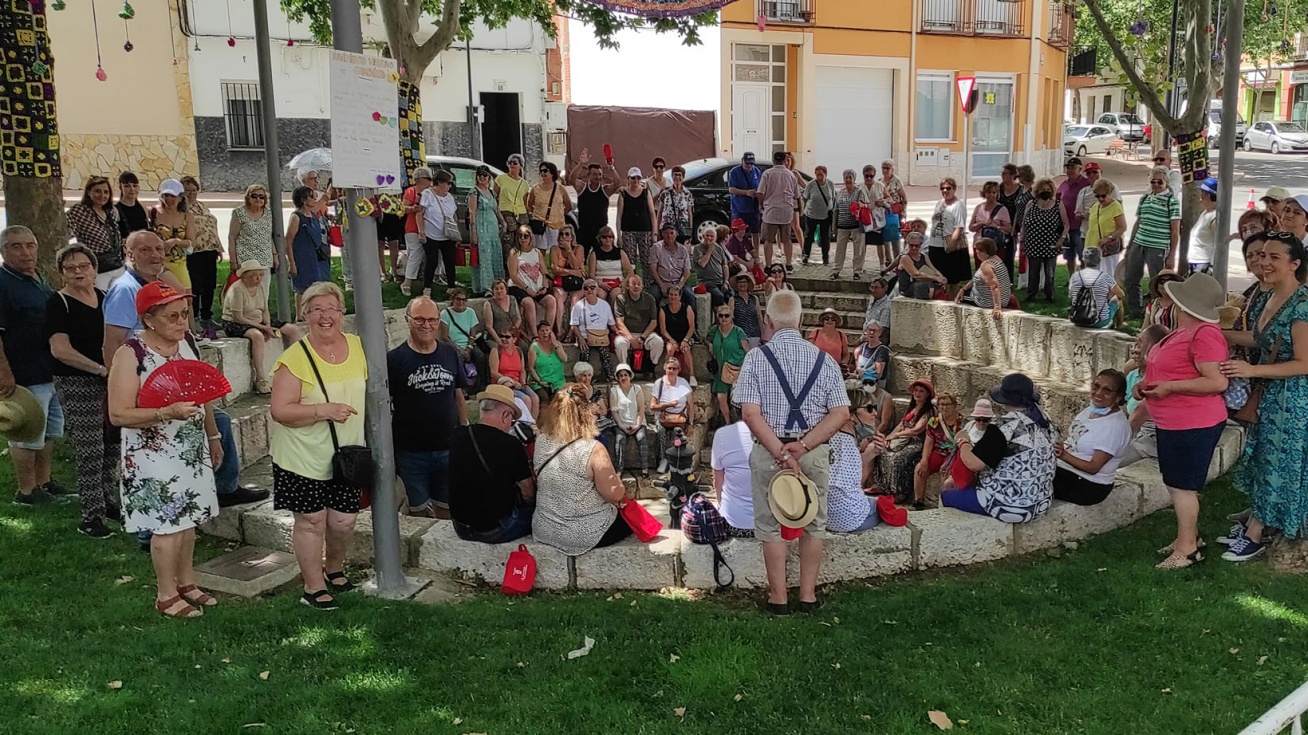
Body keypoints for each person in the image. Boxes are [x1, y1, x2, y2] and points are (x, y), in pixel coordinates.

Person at [107, 281, 222, 619]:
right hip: (150, 452)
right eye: (172, 316)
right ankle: (165, 594)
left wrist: (213, 437)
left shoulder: (187, 343)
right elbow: (118, 414)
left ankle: (187, 582)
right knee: (167, 524)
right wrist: (164, 413)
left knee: (188, 522)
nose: (182, 323)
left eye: (184, 314)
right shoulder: (132, 354)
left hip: (189, 448)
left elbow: (204, 394)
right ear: (149, 318)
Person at [734, 289, 850, 614]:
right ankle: (808, 596)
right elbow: (841, 413)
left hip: (770, 452)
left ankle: (778, 599)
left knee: (770, 525)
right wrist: (803, 446)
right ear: (800, 321)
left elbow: (749, 414)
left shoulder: (756, 357)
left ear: (768, 320)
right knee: (814, 523)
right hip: (810, 452)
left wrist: (781, 452)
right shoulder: (825, 360)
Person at [269, 282, 367, 610]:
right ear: (305, 315)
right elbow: (280, 411)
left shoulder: (357, 346)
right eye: (317, 310)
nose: (325, 316)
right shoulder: (294, 359)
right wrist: (322, 411)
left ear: (342, 313)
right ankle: (313, 587)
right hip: (302, 456)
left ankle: (335, 569)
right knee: (311, 521)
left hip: (347, 456)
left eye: (332, 309)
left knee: (343, 521)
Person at [1220, 233, 1308, 561]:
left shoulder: (1302, 306)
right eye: (1262, 256)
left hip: (1293, 398)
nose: (1264, 262)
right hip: (1271, 393)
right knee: (1263, 458)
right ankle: (1261, 519)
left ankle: (1255, 533)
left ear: (1294, 264)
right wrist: (1215, 332)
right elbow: (1260, 339)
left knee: (1278, 462)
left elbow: (1304, 363)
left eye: (1274, 257)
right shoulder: (1264, 295)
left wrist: (1252, 372)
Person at [1138, 273, 1228, 569]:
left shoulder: (1205, 334)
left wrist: (1169, 388)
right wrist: (1148, 386)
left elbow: (1216, 382)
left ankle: (1187, 549)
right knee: (1176, 483)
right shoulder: (1183, 331)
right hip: (1174, 420)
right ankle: (1187, 539)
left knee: (1182, 487)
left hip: (1192, 422)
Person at [45, 244, 118, 536]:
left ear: (94, 270)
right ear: (62, 273)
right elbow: (60, 350)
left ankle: (107, 500)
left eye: (83, 266)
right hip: (77, 382)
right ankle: (91, 516)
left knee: (112, 445)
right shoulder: (58, 303)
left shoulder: (104, 298)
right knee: (90, 449)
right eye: (71, 268)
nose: (78, 272)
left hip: (110, 381)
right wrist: (100, 369)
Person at [0, 226, 68, 505]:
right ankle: (26, 491)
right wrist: (3, 371)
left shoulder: (36, 277)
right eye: (17, 246)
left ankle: (44, 482)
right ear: (4, 251)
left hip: (48, 368)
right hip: (22, 371)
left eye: (31, 245)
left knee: (49, 430)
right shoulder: (3, 282)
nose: (26, 252)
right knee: (27, 432)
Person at [388, 296, 468, 519]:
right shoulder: (394, 360)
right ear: (408, 320)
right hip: (411, 453)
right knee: (418, 510)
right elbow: (385, 405)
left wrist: (464, 430)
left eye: (432, 320)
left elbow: (458, 394)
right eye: (420, 319)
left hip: (447, 447)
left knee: (447, 507)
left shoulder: (449, 353)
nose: (427, 325)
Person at [532, 384, 635, 554]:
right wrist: (618, 482)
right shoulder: (593, 448)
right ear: (586, 413)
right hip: (584, 533)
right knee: (631, 518)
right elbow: (614, 494)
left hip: (544, 528)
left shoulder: (541, 441)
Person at [945, 373, 1059, 524]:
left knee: (946, 496)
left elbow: (974, 464)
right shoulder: (1045, 419)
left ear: (1004, 399)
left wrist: (962, 441)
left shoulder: (1004, 426)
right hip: (1040, 502)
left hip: (1010, 506)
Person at [449, 384, 535, 543]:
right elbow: (528, 492)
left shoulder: (457, 435)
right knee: (541, 517)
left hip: (460, 526)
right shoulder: (511, 444)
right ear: (505, 415)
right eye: (512, 419)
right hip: (494, 529)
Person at [1052, 369, 1133, 506]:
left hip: (1088, 485)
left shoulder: (1114, 427)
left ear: (1118, 397)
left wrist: (1063, 455)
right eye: (1096, 386)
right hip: (1067, 470)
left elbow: (1093, 467)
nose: (1099, 393)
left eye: (1107, 390)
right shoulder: (1091, 409)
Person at [1124, 166, 1182, 319]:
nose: (1156, 185)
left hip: (1158, 245)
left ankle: (1157, 312)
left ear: (1166, 183)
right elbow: (1138, 222)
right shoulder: (1144, 198)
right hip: (1139, 242)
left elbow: (1175, 231)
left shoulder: (1172, 201)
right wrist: (1130, 246)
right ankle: (1135, 310)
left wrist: (1172, 255)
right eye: (1153, 182)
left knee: (1157, 282)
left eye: (1159, 182)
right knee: (1131, 277)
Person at [222, 260, 280, 394]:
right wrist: (262, 328)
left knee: (290, 329)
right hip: (236, 323)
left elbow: (265, 310)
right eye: (254, 275)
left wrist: (268, 325)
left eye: (260, 275)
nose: (258, 278)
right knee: (257, 336)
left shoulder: (260, 287)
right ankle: (260, 378)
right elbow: (238, 317)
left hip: (257, 320)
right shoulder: (237, 289)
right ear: (245, 277)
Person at [872, 379, 934, 503]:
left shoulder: (929, 411)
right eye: (916, 390)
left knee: (898, 458)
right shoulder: (913, 408)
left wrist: (896, 436)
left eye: (921, 391)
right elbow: (901, 424)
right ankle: (884, 486)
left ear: (927, 394)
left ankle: (900, 492)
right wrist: (889, 437)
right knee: (883, 451)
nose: (917, 393)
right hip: (903, 440)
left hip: (917, 443)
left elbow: (916, 430)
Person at [1119, 325, 1170, 469]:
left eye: (1140, 342)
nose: (1136, 348)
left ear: (1152, 347)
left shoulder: (1159, 374)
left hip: (1150, 440)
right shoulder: (1143, 372)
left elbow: (1136, 418)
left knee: (1106, 462)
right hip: (1145, 435)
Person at [180, 176, 223, 339]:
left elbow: (212, 227)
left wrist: (218, 246)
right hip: (194, 252)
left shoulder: (202, 206)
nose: (191, 193)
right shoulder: (182, 209)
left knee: (209, 285)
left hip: (209, 250)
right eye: (187, 190)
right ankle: (196, 316)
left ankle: (207, 316)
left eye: (194, 190)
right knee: (196, 286)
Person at [66, 176, 125, 290]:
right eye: (97, 191)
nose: (102, 195)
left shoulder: (111, 212)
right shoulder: (79, 211)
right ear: (89, 192)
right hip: (96, 267)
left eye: (105, 192)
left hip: (116, 265)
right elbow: (68, 231)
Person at [1020, 178, 1069, 303]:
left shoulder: (1058, 204)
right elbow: (1024, 224)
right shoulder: (1031, 204)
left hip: (1051, 244)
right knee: (1033, 271)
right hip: (1033, 243)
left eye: (1048, 190)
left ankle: (1049, 294)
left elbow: (1066, 224)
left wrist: (1062, 239)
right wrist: (1022, 241)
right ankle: (1031, 294)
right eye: (1043, 190)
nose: (1046, 192)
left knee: (1049, 272)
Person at [914, 393, 964, 510]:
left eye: (947, 404)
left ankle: (944, 505)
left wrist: (950, 463)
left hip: (954, 454)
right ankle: (918, 501)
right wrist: (924, 460)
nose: (944, 408)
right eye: (941, 405)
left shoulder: (962, 423)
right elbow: (928, 442)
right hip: (938, 452)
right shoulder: (934, 422)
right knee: (919, 469)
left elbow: (962, 447)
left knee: (946, 474)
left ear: (954, 405)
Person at [228, 184, 276, 305]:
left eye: (262, 197)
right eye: (254, 196)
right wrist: (233, 260)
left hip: (264, 259)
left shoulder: (269, 213)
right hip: (246, 259)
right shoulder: (239, 213)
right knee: (246, 294)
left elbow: (269, 236)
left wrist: (274, 254)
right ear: (248, 197)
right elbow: (232, 237)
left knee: (264, 292)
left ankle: (262, 317)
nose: (258, 199)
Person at [507, 224, 559, 336]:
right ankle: (535, 335)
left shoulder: (537, 252)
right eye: (520, 236)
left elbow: (545, 272)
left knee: (552, 301)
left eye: (526, 236)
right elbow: (513, 276)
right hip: (519, 286)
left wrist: (544, 286)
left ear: (531, 237)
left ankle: (546, 332)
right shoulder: (514, 252)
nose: (522, 239)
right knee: (529, 303)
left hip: (537, 287)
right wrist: (527, 288)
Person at [757, 151, 802, 272]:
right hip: (786, 211)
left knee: (768, 240)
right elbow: (797, 194)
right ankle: (788, 264)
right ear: (784, 160)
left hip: (770, 211)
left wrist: (761, 205)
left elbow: (760, 192)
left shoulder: (767, 173)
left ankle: (768, 265)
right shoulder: (791, 175)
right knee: (787, 239)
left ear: (773, 160)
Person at [711, 420, 756, 537]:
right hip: (770, 526)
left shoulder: (722, 434)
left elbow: (718, 479)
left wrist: (720, 506)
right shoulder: (777, 434)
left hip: (734, 522)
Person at [286, 185, 327, 313]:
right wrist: (292, 263)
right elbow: (288, 241)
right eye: (311, 196)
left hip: (314, 256)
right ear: (303, 200)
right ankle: (299, 313)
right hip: (301, 256)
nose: (314, 199)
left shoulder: (312, 215)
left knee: (315, 286)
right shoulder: (296, 217)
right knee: (301, 288)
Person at [650, 356, 694, 474]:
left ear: (678, 370)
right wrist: (668, 405)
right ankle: (663, 460)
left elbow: (690, 405)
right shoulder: (659, 383)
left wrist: (690, 423)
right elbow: (653, 406)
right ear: (665, 368)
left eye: (674, 368)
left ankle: (676, 461)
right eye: (669, 368)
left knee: (678, 433)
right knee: (661, 431)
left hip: (679, 417)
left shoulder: (683, 383)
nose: (671, 371)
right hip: (663, 416)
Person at [469, 165, 509, 295]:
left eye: (484, 175)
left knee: (494, 254)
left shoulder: (492, 192)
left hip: (492, 228)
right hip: (482, 226)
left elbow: (496, 209)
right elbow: (472, 212)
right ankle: (486, 287)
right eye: (479, 175)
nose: (482, 177)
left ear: (489, 178)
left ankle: (497, 284)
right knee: (484, 255)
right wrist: (473, 231)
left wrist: (503, 221)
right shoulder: (474, 192)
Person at [149, 179, 195, 290]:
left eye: (173, 196)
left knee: (187, 298)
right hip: (158, 263)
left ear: (180, 197)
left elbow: (191, 242)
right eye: (166, 195)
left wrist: (176, 241)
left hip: (179, 263)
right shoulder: (152, 212)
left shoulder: (187, 216)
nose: (169, 199)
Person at [419, 169, 461, 293]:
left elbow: (453, 216)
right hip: (431, 234)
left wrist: (456, 233)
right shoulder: (427, 194)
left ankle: (451, 287)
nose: (450, 186)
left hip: (447, 235)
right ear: (440, 182)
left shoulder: (450, 198)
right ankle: (427, 287)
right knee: (432, 261)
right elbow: (419, 213)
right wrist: (421, 231)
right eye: (449, 183)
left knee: (450, 261)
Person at [439, 287, 487, 390]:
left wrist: (468, 349)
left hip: (468, 344)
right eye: (458, 299)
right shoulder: (445, 314)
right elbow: (445, 337)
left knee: (480, 356)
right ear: (453, 300)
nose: (461, 302)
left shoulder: (470, 312)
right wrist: (460, 350)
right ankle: (461, 388)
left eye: (463, 299)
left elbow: (472, 334)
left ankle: (481, 384)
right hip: (453, 345)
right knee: (458, 359)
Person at [613, 274, 664, 372]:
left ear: (642, 286)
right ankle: (624, 368)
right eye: (633, 284)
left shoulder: (650, 299)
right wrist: (631, 339)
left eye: (638, 284)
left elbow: (653, 322)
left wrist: (642, 337)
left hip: (645, 333)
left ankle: (650, 367)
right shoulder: (621, 299)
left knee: (658, 342)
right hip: (628, 333)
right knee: (620, 343)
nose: (636, 286)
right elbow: (620, 323)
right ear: (628, 286)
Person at [926, 178, 970, 290]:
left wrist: (952, 243)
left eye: (948, 188)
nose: (945, 190)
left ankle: (951, 302)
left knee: (951, 280)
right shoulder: (939, 203)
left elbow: (959, 226)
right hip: (935, 243)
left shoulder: (958, 205)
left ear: (954, 189)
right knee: (937, 278)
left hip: (948, 245)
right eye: (942, 188)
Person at [709, 304, 749, 426]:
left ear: (731, 317)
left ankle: (743, 424)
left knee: (738, 400)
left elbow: (748, 351)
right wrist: (709, 345)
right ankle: (728, 423)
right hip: (721, 369)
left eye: (727, 315)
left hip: (737, 369)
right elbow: (707, 339)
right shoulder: (714, 330)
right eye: (721, 316)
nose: (724, 318)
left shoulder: (738, 332)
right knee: (721, 397)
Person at [1068, 247, 1125, 329]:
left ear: (1084, 259)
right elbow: (1121, 295)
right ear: (1099, 260)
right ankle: (1119, 325)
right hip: (1099, 321)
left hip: (1077, 319)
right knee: (1117, 299)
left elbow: (1070, 295)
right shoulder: (1105, 276)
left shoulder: (1075, 276)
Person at [488, 326, 539, 419]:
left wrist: (523, 380)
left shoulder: (519, 351)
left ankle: (532, 423)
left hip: (518, 382)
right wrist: (514, 382)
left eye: (507, 337)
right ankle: (523, 424)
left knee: (535, 398)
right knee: (526, 399)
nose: (503, 339)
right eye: (501, 336)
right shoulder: (495, 351)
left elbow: (522, 370)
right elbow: (494, 373)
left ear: (514, 339)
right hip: (503, 383)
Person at [571, 279, 616, 380]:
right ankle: (583, 378)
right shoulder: (578, 306)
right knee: (584, 353)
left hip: (601, 337)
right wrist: (580, 338)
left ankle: (608, 376)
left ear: (597, 290)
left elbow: (612, 324)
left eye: (592, 287)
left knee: (605, 354)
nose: (589, 290)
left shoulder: (604, 305)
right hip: (585, 337)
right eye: (586, 288)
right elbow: (574, 325)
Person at [609, 363, 650, 474]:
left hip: (637, 422)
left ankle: (644, 468)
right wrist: (621, 425)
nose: (623, 378)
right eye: (621, 375)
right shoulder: (614, 390)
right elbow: (614, 411)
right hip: (621, 423)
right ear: (618, 378)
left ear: (630, 376)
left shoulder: (637, 389)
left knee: (641, 437)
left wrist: (637, 425)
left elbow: (641, 409)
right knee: (620, 439)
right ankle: (619, 469)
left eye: (625, 375)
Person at [956, 237, 1011, 319]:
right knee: (963, 291)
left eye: (978, 250)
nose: (976, 253)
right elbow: (977, 277)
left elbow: (994, 286)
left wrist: (997, 307)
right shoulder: (996, 259)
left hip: (985, 302)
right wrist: (964, 289)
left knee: (956, 298)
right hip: (1004, 300)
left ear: (984, 252)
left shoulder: (986, 266)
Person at [616, 167, 656, 277]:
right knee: (630, 262)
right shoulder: (623, 194)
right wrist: (619, 235)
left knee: (646, 261)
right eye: (633, 178)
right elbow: (619, 216)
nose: (636, 181)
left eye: (638, 178)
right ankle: (631, 283)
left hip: (645, 231)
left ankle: (648, 286)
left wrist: (654, 233)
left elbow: (652, 214)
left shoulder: (646, 193)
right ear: (628, 179)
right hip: (628, 232)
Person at [573, 162, 620, 256]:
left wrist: (611, 168)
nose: (598, 177)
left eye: (600, 174)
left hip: (600, 230)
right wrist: (580, 164)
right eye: (595, 174)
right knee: (580, 257)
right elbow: (571, 179)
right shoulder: (582, 187)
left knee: (601, 257)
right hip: (584, 230)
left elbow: (617, 183)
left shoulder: (605, 190)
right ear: (588, 175)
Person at [831, 169, 870, 281]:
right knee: (839, 249)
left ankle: (857, 271)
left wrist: (861, 205)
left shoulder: (860, 192)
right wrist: (834, 227)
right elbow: (836, 210)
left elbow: (868, 206)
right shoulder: (840, 193)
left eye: (850, 178)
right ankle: (836, 270)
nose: (848, 180)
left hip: (857, 225)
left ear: (854, 179)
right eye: (846, 177)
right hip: (842, 226)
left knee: (859, 250)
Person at [1083, 178, 1128, 274]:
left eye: (1103, 196)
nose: (1100, 199)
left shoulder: (1115, 206)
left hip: (1107, 248)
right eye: (1097, 196)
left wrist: (1109, 238)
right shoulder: (1095, 206)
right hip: (1091, 246)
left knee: (1108, 276)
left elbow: (1123, 227)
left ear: (1110, 193)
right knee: (1092, 276)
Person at [401, 167, 433, 297]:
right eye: (428, 179)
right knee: (415, 254)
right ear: (420, 179)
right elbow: (402, 208)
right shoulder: (411, 191)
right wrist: (412, 208)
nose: (431, 182)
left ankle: (414, 279)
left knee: (417, 255)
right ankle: (407, 282)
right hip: (413, 228)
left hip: (428, 228)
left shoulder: (430, 192)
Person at [1056, 157, 1091, 275]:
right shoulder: (1063, 184)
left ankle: (1084, 278)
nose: (1069, 170)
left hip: (1080, 226)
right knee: (1068, 255)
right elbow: (1057, 199)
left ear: (1080, 169)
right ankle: (1072, 277)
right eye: (1068, 168)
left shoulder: (1086, 183)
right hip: (1066, 226)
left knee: (1082, 255)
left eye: (1073, 168)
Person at [969, 182, 1013, 274]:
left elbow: (1009, 229)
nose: (991, 195)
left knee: (995, 272)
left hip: (995, 246)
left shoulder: (1002, 209)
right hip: (979, 244)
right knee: (980, 272)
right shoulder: (978, 208)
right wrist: (981, 223)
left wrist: (996, 226)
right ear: (984, 193)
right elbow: (971, 228)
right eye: (989, 192)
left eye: (994, 192)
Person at [526, 161, 571, 253]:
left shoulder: (560, 189)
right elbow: (529, 205)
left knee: (556, 251)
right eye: (541, 171)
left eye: (545, 170)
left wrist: (559, 214)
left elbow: (568, 205)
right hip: (540, 225)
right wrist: (536, 215)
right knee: (539, 251)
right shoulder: (535, 189)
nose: (543, 173)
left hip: (556, 225)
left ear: (552, 173)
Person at [552, 225, 588, 335]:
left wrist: (569, 250)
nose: (564, 236)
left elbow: (576, 265)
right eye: (562, 234)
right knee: (559, 299)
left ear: (572, 236)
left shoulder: (579, 248)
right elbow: (555, 269)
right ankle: (559, 331)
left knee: (574, 300)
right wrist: (571, 272)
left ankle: (572, 332)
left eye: (567, 234)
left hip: (577, 283)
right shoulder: (555, 249)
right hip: (561, 282)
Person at [995, 163, 1029, 277]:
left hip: (1015, 223)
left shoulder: (1020, 189)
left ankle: (1009, 278)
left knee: (1011, 251)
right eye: (1002, 173)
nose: (1002, 176)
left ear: (1012, 175)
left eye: (1005, 173)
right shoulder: (1000, 188)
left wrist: (1016, 227)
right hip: (1001, 223)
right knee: (999, 251)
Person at [649, 224, 695, 307]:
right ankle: (654, 319)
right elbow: (653, 270)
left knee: (690, 297)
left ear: (676, 234)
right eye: (666, 233)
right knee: (652, 297)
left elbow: (687, 272)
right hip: (661, 282)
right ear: (662, 234)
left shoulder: (683, 250)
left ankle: (692, 319)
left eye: (671, 233)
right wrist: (662, 285)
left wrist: (679, 285)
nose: (669, 236)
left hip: (679, 282)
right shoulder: (656, 248)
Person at [495, 154, 532, 257]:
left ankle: (520, 264)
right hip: (505, 211)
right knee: (508, 242)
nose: (512, 165)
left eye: (515, 163)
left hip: (521, 214)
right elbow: (495, 196)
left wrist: (530, 214)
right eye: (510, 162)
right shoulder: (501, 178)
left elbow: (525, 202)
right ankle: (507, 267)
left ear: (521, 166)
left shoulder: (524, 184)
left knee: (521, 240)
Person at [659, 288, 697, 386]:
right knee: (670, 349)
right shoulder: (663, 310)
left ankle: (692, 376)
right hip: (670, 337)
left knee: (685, 349)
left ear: (679, 296)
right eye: (671, 294)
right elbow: (663, 330)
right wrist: (672, 341)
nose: (673, 297)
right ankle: (666, 375)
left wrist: (685, 340)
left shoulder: (687, 308)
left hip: (685, 336)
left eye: (675, 295)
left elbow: (692, 327)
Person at [801, 165, 836, 266]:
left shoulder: (830, 184)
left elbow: (832, 198)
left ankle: (825, 257)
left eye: (821, 175)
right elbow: (805, 197)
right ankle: (805, 255)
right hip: (811, 214)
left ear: (825, 174)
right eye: (817, 175)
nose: (819, 177)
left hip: (825, 215)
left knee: (825, 237)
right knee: (808, 236)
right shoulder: (811, 184)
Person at [727, 152, 763, 247]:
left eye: (751, 163)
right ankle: (735, 252)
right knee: (736, 231)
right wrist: (746, 192)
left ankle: (756, 253)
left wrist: (760, 203)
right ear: (742, 161)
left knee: (755, 232)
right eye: (747, 163)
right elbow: (731, 189)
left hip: (753, 208)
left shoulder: (757, 171)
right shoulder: (734, 171)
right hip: (739, 208)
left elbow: (760, 187)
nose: (749, 165)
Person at [589, 227, 632, 303]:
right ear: (600, 239)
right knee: (600, 295)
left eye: (610, 237)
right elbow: (591, 273)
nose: (608, 239)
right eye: (604, 237)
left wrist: (624, 282)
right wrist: (599, 283)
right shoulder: (594, 253)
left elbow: (630, 271)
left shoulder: (620, 252)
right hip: (601, 282)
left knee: (616, 295)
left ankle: (616, 314)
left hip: (617, 282)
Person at [898, 232, 948, 300]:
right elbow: (916, 275)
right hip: (908, 287)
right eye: (911, 245)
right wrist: (936, 278)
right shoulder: (905, 258)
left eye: (917, 245)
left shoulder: (924, 256)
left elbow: (933, 269)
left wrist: (941, 278)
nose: (914, 248)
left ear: (920, 245)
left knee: (936, 285)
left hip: (920, 283)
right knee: (925, 285)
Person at [693, 225, 732, 310]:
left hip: (720, 281)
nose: (709, 238)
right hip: (707, 282)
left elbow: (724, 265)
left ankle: (730, 318)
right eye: (707, 235)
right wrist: (710, 250)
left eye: (712, 236)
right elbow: (702, 263)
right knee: (718, 296)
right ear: (703, 236)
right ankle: (721, 319)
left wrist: (726, 281)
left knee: (731, 295)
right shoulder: (697, 248)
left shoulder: (719, 249)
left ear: (715, 238)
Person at [879, 160, 908, 272]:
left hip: (895, 212)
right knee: (885, 237)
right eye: (883, 168)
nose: (885, 170)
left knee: (895, 238)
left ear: (892, 169)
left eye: (888, 168)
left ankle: (898, 261)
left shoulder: (896, 181)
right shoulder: (880, 181)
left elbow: (904, 197)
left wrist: (903, 211)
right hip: (883, 213)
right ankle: (888, 260)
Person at [529, 320, 569, 396]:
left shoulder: (557, 344)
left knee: (562, 397)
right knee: (544, 397)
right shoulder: (534, 347)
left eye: (547, 330)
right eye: (542, 331)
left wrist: (555, 345)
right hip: (540, 381)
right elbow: (531, 368)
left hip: (557, 381)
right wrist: (539, 381)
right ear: (538, 333)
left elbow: (564, 359)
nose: (545, 333)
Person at [1189, 177, 1220, 276]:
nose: (1200, 196)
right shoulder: (1206, 213)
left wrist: (1211, 266)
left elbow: (1218, 243)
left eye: (1202, 193)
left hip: (1203, 263)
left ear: (1208, 195)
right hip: (1195, 260)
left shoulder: (1214, 217)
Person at [482, 278, 524, 347]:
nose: (499, 291)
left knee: (525, 348)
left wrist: (515, 327)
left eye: (501, 288)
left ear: (506, 290)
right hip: (496, 337)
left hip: (512, 336)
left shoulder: (512, 299)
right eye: (496, 289)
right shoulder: (488, 304)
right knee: (501, 351)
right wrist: (500, 342)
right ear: (493, 291)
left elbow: (519, 318)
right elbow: (489, 326)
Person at [658, 165, 695, 243]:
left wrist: (690, 231)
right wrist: (657, 229)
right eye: (675, 174)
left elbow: (690, 214)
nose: (677, 177)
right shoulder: (665, 192)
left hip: (681, 229)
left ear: (683, 177)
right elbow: (660, 212)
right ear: (672, 176)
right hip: (667, 228)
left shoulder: (687, 194)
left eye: (679, 175)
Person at [729, 272, 764, 351]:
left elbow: (759, 317)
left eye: (744, 282)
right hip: (740, 335)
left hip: (755, 333)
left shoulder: (754, 298)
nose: (742, 284)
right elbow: (730, 318)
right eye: (740, 282)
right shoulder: (733, 300)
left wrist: (762, 333)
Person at [115, 171, 150, 242]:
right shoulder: (115, 210)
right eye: (127, 186)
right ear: (120, 188)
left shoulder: (142, 209)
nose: (132, 189)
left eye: (135, 185)